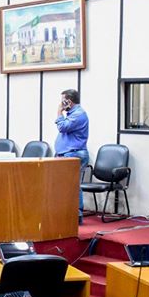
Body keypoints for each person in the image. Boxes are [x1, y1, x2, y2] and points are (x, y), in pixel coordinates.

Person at [54, 89, 90, 221]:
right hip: (66, 153)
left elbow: (63, 127)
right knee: (65, 185)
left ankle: (76, 215)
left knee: (73, 185)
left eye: (62, 100)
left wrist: (59, 112)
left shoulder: (79, 114)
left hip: (74, 154)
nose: (61, 103)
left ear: (68, 101)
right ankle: (65, 212)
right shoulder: (72, 113)